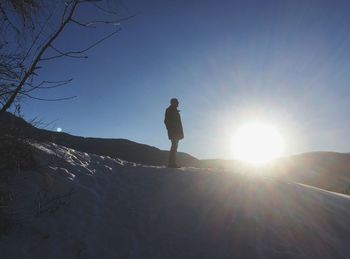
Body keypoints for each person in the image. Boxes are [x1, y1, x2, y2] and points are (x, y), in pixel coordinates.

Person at [164, 98, 184, 168]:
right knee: (174, 146)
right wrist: (171, 130)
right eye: (177, 102)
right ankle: (171, 163)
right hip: (174, 132)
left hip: (176, 132)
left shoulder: (175, 111)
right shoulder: (169, 110)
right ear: (174, 103)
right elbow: (166, 121)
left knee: (175, 147)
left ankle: (172, 163)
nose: (178, 103)